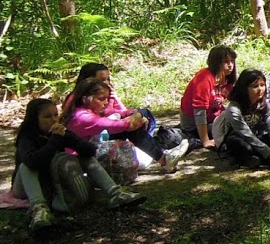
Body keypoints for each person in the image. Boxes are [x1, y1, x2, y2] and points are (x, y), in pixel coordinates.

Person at [13, 98, 143, 231]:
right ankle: (38, 209)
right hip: (27, 185)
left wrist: (69, 137)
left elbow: (90, 151)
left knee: (84, 157)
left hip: (50, 181)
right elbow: (33, 162)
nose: (53, 119)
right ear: (35, 120)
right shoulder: (27, 137)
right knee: (26, 166)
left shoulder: (59, 132)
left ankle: (115, 192)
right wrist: (55, 140)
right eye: (47, 117)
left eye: (55, 115)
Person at [63, 77, 189, 173]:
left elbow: (119, 113)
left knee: (139, 118)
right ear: (86, 99)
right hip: (80, 160)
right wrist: (137, 118)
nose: (106, 102)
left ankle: (164, 157)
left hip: (91, 149)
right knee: (130, 129)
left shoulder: (90, 110)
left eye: (107, 98)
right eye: (101, 99)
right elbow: (122, 125)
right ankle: (164, 158)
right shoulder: (83, 118)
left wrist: (136, 113)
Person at [212, 70, 270, 170]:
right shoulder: (234, 108)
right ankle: (264, 159)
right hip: (239, 140)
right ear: (244, 88)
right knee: (242, 145)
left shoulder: (265, 104)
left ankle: (256, 160)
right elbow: (246, 135)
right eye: (255, 86)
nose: (260, 89)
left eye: (262, 85)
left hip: (257, 137)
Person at [179, 45, 238, 148]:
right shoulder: (204, 78)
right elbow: (199, 111)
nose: (230, 65)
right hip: (194, 124)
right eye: (226, 62)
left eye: (232, 61)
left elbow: (236, 99)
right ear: (216, 62)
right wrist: (205, 140)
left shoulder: (227, 79)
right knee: (232, 131)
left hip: (214, 118)